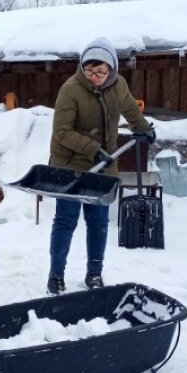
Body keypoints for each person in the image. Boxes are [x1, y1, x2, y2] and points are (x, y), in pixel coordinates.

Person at [47, 37, 155, 295]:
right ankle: (56, 276)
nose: (94, 76)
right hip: (69, 166)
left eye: (101, 71)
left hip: (103, 165)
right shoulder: (70, 89)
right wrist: (93, 149)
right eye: (89, 70)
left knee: (98, 222)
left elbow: (130, 109)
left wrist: (144, 129)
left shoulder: (118, 86)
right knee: (66, 221)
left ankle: (94, 274)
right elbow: (62, 132)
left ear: (112, 70)